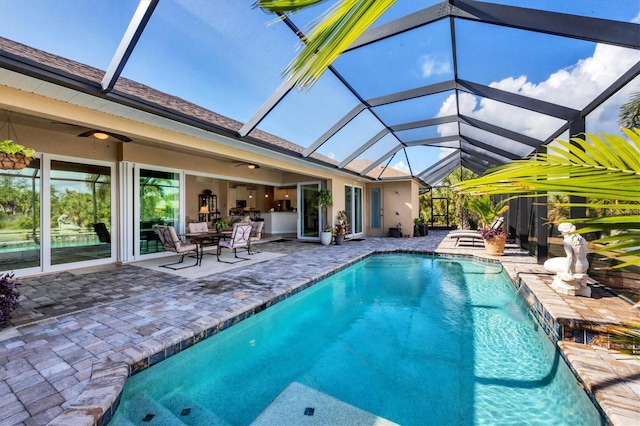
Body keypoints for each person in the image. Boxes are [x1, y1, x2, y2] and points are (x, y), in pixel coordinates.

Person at [543, 222, 591, 297]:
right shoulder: (582, 239)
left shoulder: (568, 241)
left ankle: (565, 284)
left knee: (547, 264)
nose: (561, 233)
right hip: (585, 265)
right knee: (560, 260)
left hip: (576, 267)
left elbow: (570, 257)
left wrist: (566, 272)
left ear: (564, 231)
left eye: (561, 232)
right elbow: (586, 253)